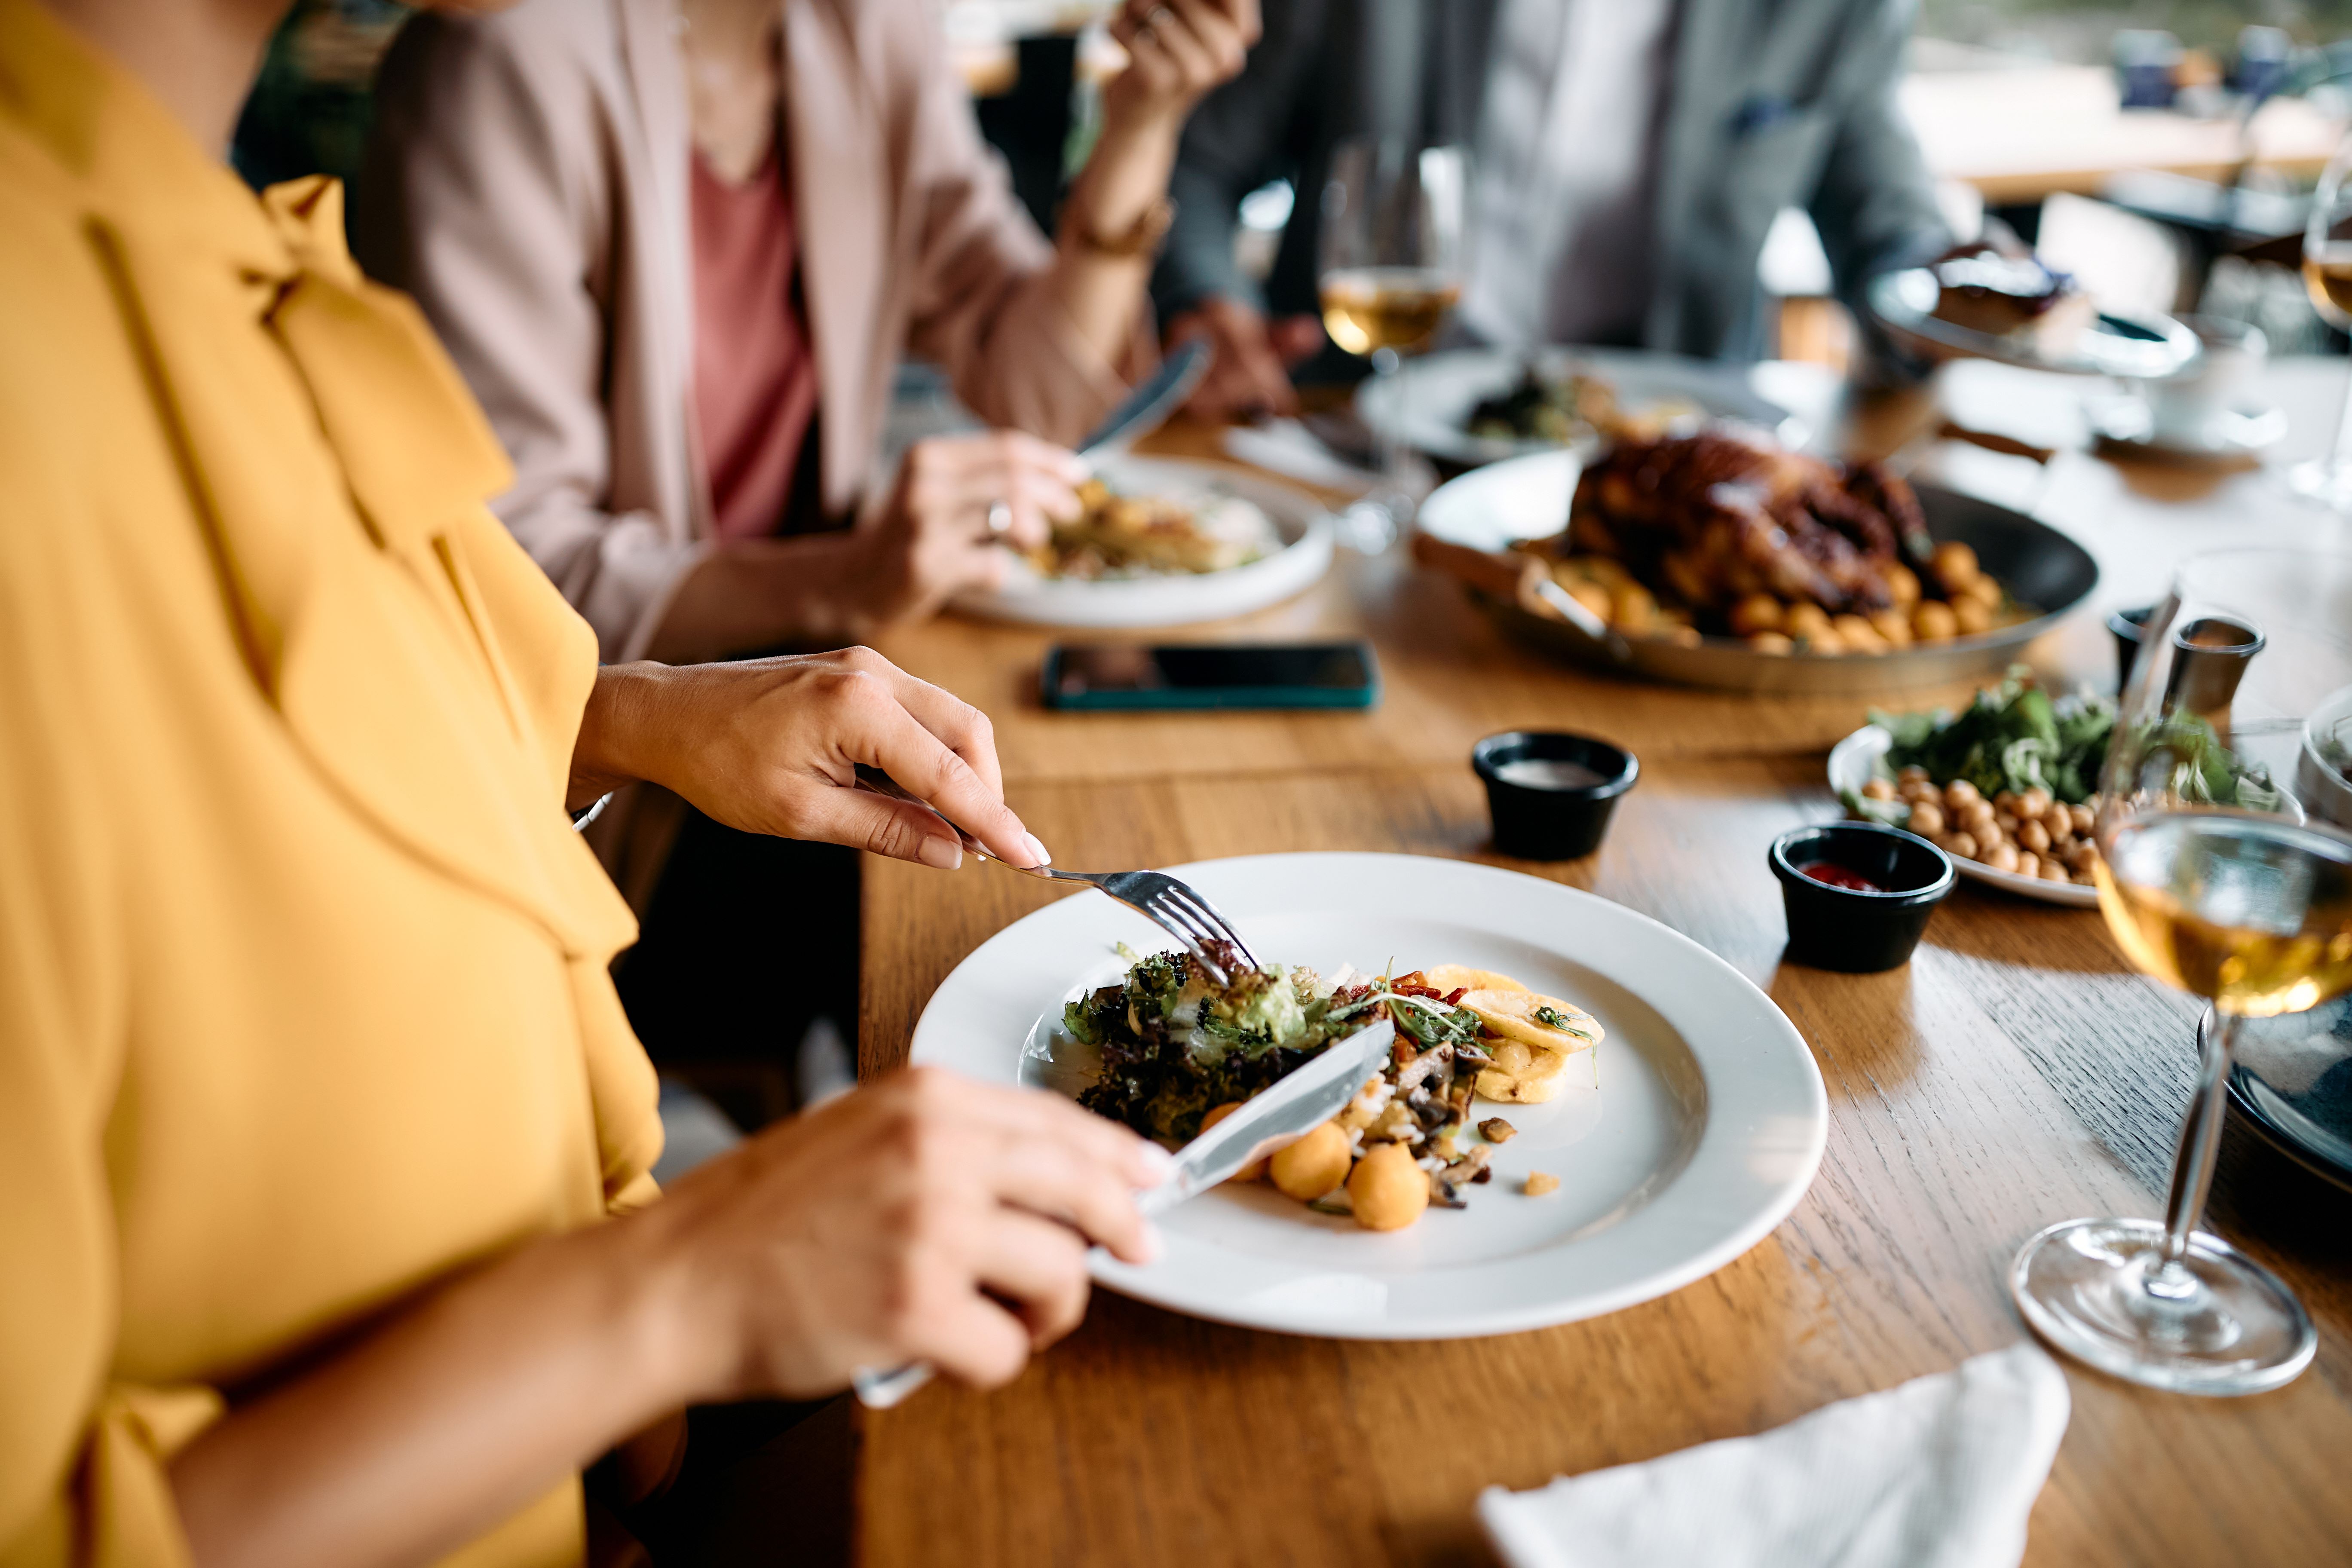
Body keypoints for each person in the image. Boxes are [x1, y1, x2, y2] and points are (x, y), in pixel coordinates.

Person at [0, 2, 1164, 1564]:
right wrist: (682, 1286)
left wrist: (626, 716)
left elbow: (228, 727)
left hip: (599, 1446)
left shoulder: (201, 234)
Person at [355, 0, 1258, 670]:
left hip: (817, 705)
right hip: (618, 805)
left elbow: (1041, 404)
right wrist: (838, 583)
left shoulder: (871, 36)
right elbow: (499, 577)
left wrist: (1141, 125)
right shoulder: (502, 58)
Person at [1154, 0, 1952, 420]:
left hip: (1673, 470)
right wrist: (1209, 306)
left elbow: (1886, 213)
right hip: (1362, 446)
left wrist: (1958, 292)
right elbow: (1196, 164)